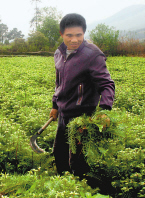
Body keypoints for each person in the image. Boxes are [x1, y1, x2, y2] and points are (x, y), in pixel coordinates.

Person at [49, 13, 115, 177]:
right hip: (64, 113)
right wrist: (55, 106)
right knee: (59, 153)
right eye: (69, 35)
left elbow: (107, 84)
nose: (74, 40)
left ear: (84, 33)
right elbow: (59, 83)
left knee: (78, 160)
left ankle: (81, 187)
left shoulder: (92, 55)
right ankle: (64, 186)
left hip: (82, 116)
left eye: (79, 35)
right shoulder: (59, 53)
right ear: (62, 34)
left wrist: (105, 109)